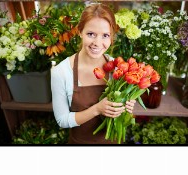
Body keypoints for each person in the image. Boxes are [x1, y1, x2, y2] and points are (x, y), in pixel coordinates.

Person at [51, 3, 136, 144]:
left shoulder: (118, 66)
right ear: (80, 32)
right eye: (91, 34)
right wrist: (97, 109)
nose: (97, 43)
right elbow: (62, 120)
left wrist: (126, 106)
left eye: (105, 35)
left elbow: (122, 113)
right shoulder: (61, 72)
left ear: (112, 36)